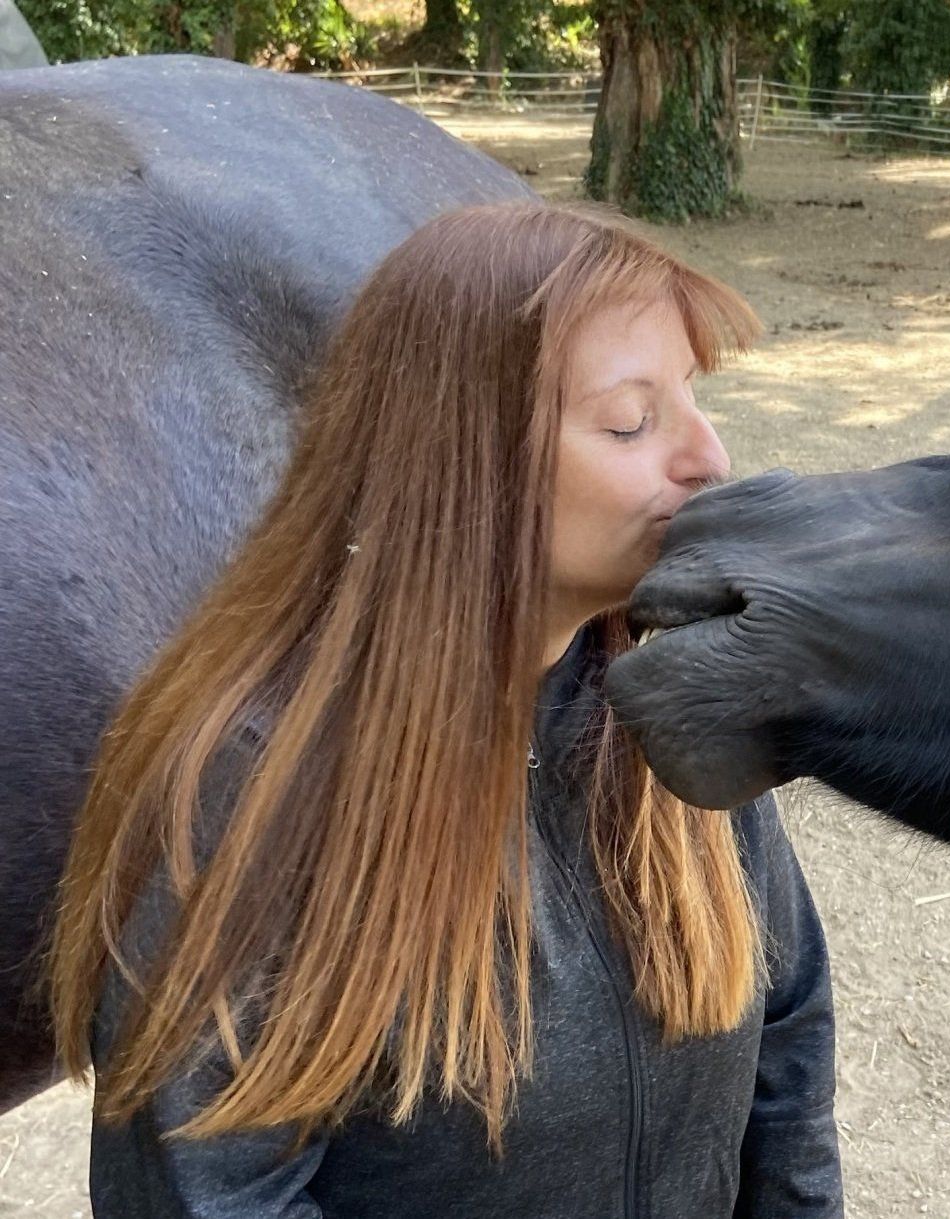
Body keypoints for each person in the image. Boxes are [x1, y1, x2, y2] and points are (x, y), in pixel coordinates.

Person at [45, 202, 841, 1218]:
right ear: (466, 460)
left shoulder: (677, 706)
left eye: (691, 398)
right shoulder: (248, 785)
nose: (709, 458)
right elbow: (218, 1193)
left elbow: (789, 1028)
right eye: (632, 420)